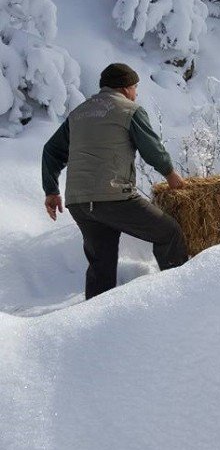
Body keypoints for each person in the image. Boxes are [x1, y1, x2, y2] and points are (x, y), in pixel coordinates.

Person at [42, 63, 188, 300]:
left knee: (101, 263)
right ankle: (182, 297)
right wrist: (171, 174)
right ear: (126, 88)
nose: (136, 92)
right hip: (113, 198)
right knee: (168, 233)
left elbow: (51, 151)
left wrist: (51, 190)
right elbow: (151, 148)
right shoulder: (129, 110)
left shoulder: (78, 114)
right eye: (135, 87)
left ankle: (97, 322)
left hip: (79, 203)